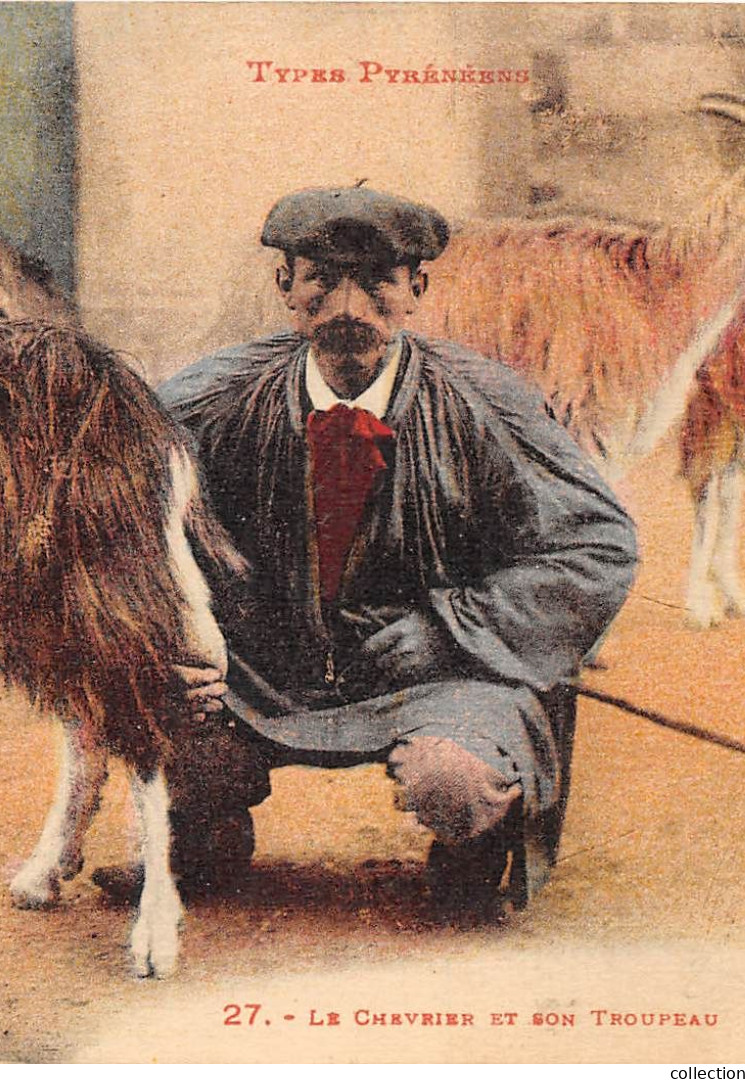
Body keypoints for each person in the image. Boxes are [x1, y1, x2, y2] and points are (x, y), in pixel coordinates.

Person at [95, 186, 638, 919]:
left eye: (377, 281)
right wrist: (171, 640)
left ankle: (472, 846)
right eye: (320, 276)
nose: (348, 307)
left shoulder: (488, 402)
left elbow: (592, 542)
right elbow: (118, 522)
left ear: (416, 289)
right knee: (158, 703)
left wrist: (450, 629)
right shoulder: (205, 399)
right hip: (259, 675)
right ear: (283, 285)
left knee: (455, 778)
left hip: (442, 675)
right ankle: (200, 832)